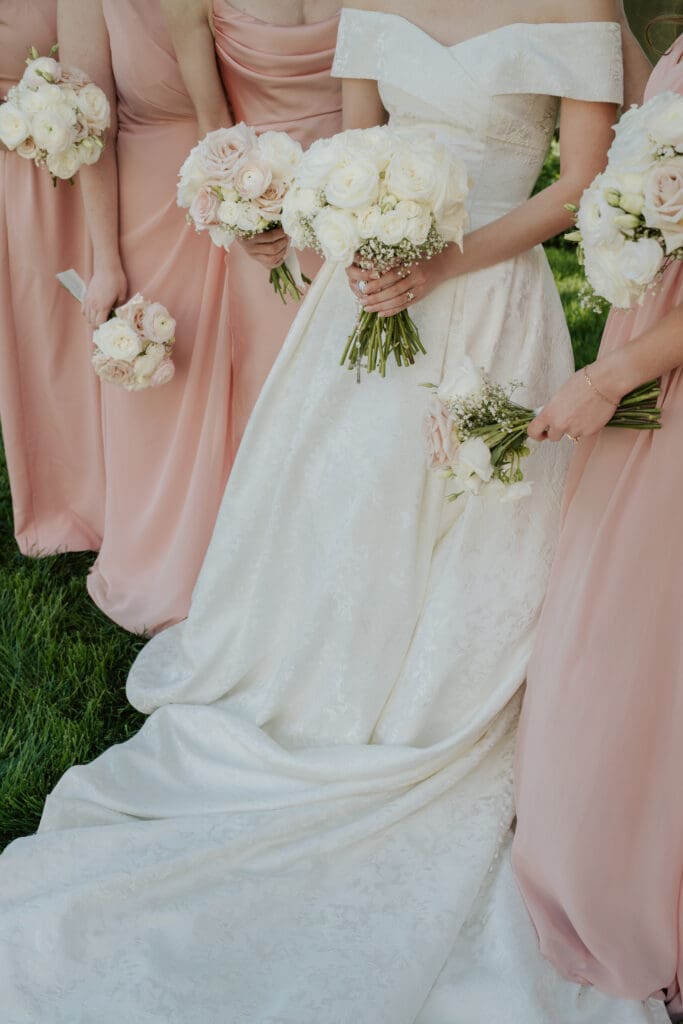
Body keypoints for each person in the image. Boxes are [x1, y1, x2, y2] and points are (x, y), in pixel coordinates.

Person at [0, 2, 666, 1021]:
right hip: (361, 301)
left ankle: (441, 698)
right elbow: (354, 144)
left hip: (487, 297)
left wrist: (447, 260)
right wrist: (325, 237)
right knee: (339, 504)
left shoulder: (575, 6)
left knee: (467, 503)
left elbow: (578, 184)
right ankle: (316, 675)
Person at [513, 15, 683, 1019]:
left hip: (650, 357)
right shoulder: (666, 43)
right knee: (618, 623)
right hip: (644, 330)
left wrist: (615, 369)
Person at [58, 0, 233, 635]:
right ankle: (166, 565)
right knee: (164, 382)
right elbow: (88, 126)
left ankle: (247, 562)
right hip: (150, 198)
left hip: (253, 183)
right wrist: (107, 260)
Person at [162, 0, 342, 456]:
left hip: (357, 209)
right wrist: (244, 217)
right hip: (265, 225)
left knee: (357, 395)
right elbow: (212, 121)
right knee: (272, 405)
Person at [0, 0, 104, 555]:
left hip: (100, 161)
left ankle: (121, 488)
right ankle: (67, 497)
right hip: (28, 180)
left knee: (103, 324)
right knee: (48, 336)